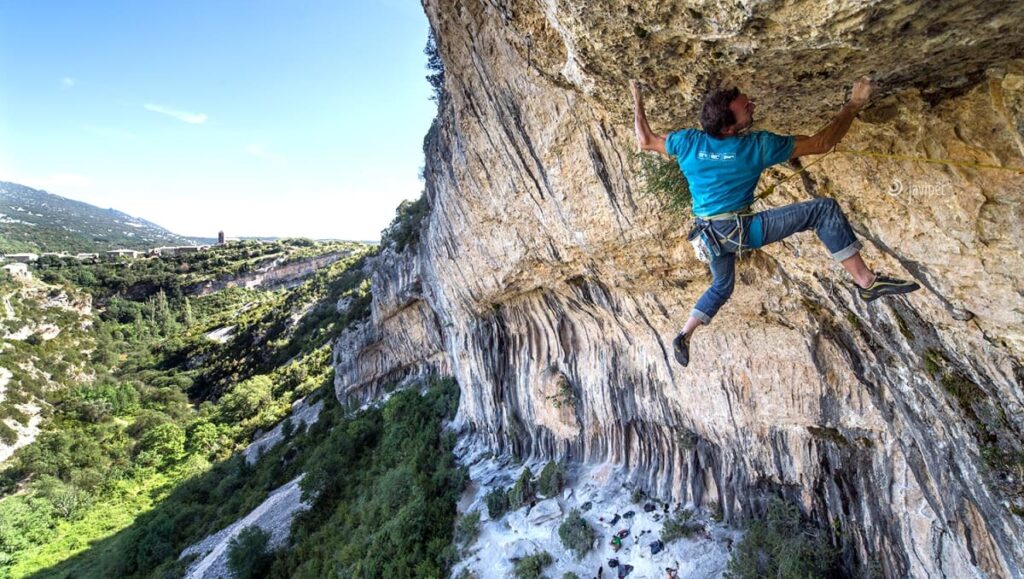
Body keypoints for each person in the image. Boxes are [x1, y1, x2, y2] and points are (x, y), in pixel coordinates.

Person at [629, 77, 920, 367]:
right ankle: (866, 281)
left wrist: (637, 98)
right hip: (739, 231)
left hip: (709, 235)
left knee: (722, 286)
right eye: (747, 108)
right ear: (730, 127)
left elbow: (645, 140)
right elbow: (822, 143)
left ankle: (684, 333)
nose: (752, 105)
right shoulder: (756, 147)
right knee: (823, 210)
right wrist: (855, 103)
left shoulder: (687, 142)